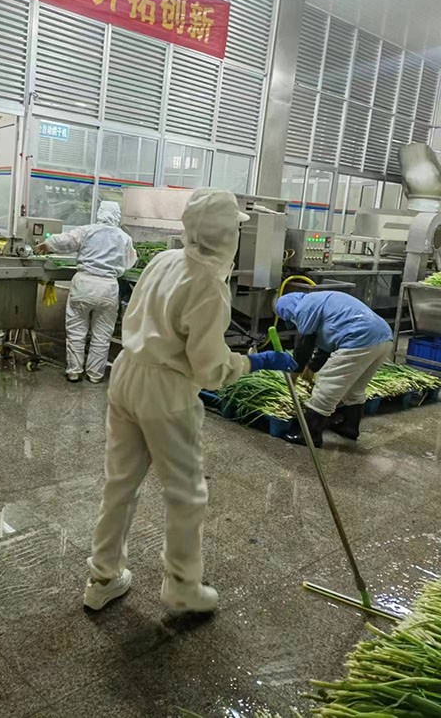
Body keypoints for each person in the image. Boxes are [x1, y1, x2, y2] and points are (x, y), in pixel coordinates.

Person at [83, 189, 297, 613]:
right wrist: (253, 363)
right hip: (166, 390)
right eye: (236, 229)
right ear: (226, 234)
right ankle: (182, 586)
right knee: (185, 492)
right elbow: (208, 368)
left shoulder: (164, 260)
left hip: (126, 372)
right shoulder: (209, 285)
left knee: (120, 483)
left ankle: (102, 577)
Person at [275, 291, 393, 448]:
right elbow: (327, 345)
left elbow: (303, 346)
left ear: (289, 312)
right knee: (354, 389)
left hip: (358, 339)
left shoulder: (304, 308)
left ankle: (309, 434)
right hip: (384, 338)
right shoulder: (321, 301)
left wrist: (294, 374)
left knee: (327, 385)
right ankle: (349, 427)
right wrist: (310, 369)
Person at [35, 201, 136, 384]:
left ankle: (74, 372)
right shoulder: (124, 238)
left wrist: (48, 244)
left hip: (84, 285)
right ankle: (95, 375)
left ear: (100, 213)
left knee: (76, 331)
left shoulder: (88, 231)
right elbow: (130, 262)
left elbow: (66, 240)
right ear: (117, 216)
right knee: (102, 335)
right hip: (108, 288)